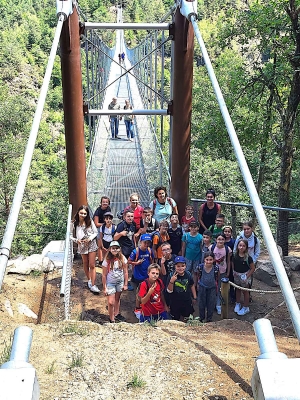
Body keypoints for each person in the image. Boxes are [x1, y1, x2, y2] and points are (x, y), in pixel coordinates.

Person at [71, 205, 100, 293]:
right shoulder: (74, 223)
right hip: (82, 244)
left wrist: (90, 238)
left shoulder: (89, 221)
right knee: (85, 263)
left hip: (91, 243)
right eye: (81, 213)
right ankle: (89, 280)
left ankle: (93, 284)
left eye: (84, 213)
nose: (83, 215)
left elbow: (95, 232)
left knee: (92, 264)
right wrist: (76, 240)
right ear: (78, 213)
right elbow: (69, 235)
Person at [102, 241, 128, 323]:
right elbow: (104, 274)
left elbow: (125, 271)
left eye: (117, 248)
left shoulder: (122, 258)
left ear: (119, 249)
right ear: (110, 249)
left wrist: (126, 284)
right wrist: (105, 287)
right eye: (113, 248)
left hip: (119, 282)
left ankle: (116, 313)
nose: (115, 250)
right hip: (110, 283)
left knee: (117, 299)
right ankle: (112, 318)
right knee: (111, 302)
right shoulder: (107, 260)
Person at [166, 256, 197, 321]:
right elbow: (169, 291)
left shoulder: (188, 274)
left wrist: (194, 297)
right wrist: (172, 281)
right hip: (175, 302)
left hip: (186, 301)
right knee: (176, 320)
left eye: (182, 266)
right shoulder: (171, 275)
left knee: (187, 318)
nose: (180, 268)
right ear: (175, 266)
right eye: (178, 266)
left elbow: (191, 285)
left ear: (185, 266)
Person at [128, 234, 154, 310]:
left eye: (148, 243)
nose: (146, 244)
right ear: (141, 242)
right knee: (139, 292)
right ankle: (137, 307)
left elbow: (152, 260)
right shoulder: (136, 251)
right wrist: (136, 263)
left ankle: (145, 306)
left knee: (147, 291)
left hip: (147, 275)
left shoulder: (149, 250)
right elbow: (128, 261)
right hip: (138, 275)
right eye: (144, 242)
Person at [232, 239, 255, 316]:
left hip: (244, 275)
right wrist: (233, 271)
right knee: (237, 289)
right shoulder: (234, 255)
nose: (241, 247)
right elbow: (232, 263)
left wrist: (247, 276)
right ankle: (238, 303)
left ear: (246, 247)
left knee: (245, 291)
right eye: (240, 245)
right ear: (237, 246)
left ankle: (246, 307)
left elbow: (252, 268)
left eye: (243, 246)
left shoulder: (248, 258)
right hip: (236, 274)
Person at [210, 233, 232, 314]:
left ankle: (218, 304)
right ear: (216, 240)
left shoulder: (227, 249)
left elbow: (229, 261)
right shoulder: (211, 247)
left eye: (222, 239)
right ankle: (212, 303)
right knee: (212, 287)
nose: (220, 241)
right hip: (212, 271)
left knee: (220, 288)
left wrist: (228, 271)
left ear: (225, 240)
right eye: (219, 239)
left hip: (222, 271)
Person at [198, 251, 219, 323]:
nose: (209, 261)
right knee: (201, 303)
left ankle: (209, 319)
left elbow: (217, 277)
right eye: (207, 259)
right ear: (204, 259)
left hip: (212, 288)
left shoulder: (216, 268)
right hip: (202, 287)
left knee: (211, 304)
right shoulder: (200, 267)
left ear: (213, 260)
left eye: (210, 260)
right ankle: (201, 318)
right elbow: (199, 275)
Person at [181, 221, 203, 285]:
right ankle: (186, 285)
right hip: (188, 257)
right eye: (192, 227)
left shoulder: (200, 237)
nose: (193, 229)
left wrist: (202, 258)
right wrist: (182, 256)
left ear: (198, 228)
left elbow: (201, 248)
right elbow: (183, 246)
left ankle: (194, 285)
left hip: (197, 257)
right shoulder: (186, 236)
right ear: (189, 228)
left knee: (195, 272)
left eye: (195, 227)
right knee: (187, 271)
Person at [93, 196, 111, 263]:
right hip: (98, 228)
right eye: (103, 202)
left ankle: (106, 258)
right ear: (101, 203)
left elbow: (109, 219)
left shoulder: (108, 209)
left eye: (106, 202)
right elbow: (96, 224)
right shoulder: (98, 211)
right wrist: (106, 224)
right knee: (100, 245)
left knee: (106, 243)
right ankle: (100, 260)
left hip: (105, 227)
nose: (105, 203)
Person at [223, 225, 236, 303]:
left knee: (231, 278)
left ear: (231, 233)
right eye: (225, 231)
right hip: (222, 262)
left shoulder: (233, 241)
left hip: (230, 262)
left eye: (228, 232)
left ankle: (232, 295)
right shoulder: (221, 240)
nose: (227, 233)